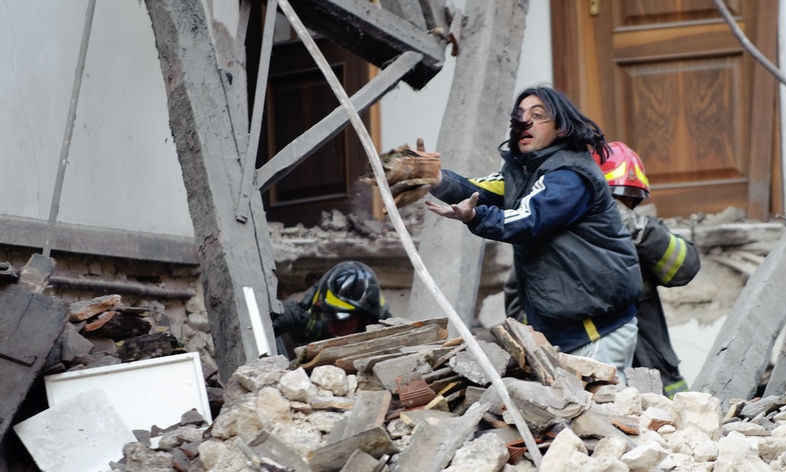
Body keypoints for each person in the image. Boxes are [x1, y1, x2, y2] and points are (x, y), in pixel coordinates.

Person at [423, 84, 643, 380]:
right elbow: (477, 190)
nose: (525, 121)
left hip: (596, 332)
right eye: (520, 115)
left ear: (561, 128)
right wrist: (435, 178)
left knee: (593, 418)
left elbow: (528, 219)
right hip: (561, 330)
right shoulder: (521, 172)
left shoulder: (569, 176)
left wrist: (475, 216)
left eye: (538, 115)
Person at [599, 141, 701, 397]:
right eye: (615, 200)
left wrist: (638, 231)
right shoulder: (561, 243)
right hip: (599, 377)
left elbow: (686, 267)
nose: (622, 208)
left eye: (629, 201)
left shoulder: (642, 234)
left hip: (656, 375)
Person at [270, 261, 391, 355]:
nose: (333, 326)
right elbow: (293, 314)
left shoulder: (386, 331)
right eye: (328, 314)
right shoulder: (311, 320)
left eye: (341, 318)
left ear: (366, 319)